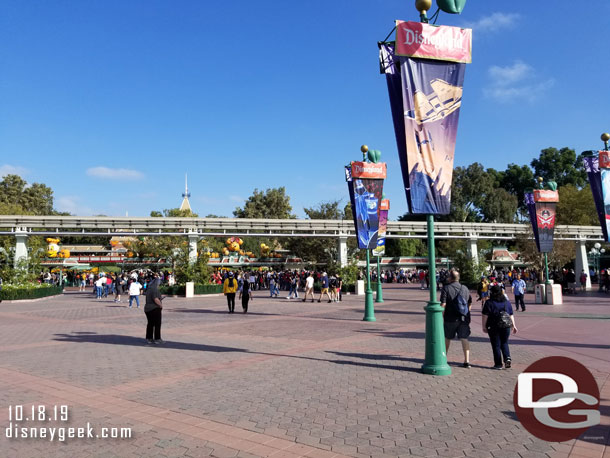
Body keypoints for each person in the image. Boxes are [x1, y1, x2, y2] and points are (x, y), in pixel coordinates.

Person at [440, 270, 472, 368]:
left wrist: (442, 316)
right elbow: (470, 302)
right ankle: (467, 361)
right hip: (463, 318)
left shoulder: (446, 288)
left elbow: (443, 304)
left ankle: (444, 358)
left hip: (450, 318)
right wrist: (466, 312)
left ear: (450, 278)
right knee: (464, 338)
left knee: (447, 338)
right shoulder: (465, 288)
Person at [482, 285, 518, 369]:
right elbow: (511, 314)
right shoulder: (507, 302)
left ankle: (498, 364)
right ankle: (507, 358)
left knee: (496, 345)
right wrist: (513, 325)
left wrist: (484, 326)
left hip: (493, 326)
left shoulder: (489, 302)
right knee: (504, 342)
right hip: (506, 326)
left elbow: (485, 316)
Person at [144, 275, 164, 345]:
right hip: (154, 308)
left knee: (150, 324)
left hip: (147, 308)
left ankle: (149, 338)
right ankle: (157, 339)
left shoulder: (149, 289)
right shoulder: (155, 290)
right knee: (157, 324)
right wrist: (160, 305)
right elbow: (155, 299)